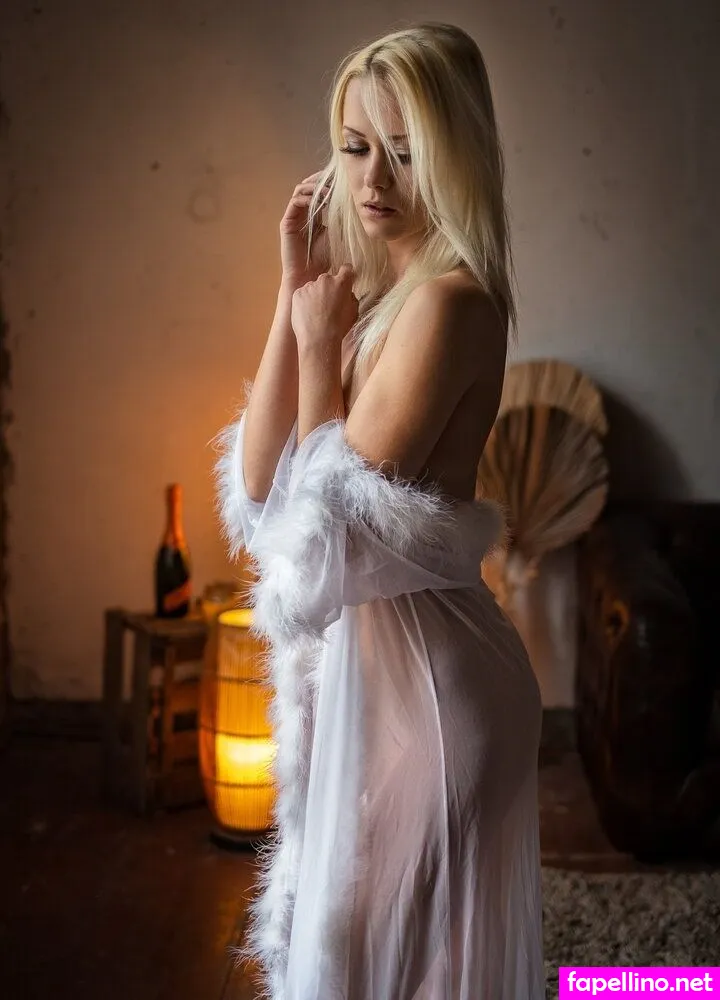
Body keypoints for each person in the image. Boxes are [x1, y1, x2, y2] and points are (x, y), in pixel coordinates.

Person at [213, 20, 545, 1000]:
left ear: (455, 153)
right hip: (375, 686)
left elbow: (328, 543)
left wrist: (323, 350)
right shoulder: (390, 296)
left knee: (361, 968)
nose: (372, 179)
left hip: (436, 697)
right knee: (362, 966)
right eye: (355, 146)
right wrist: (293, 292)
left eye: (403, 152)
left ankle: (681, 984)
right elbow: (263, 491)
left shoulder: (450, 303)